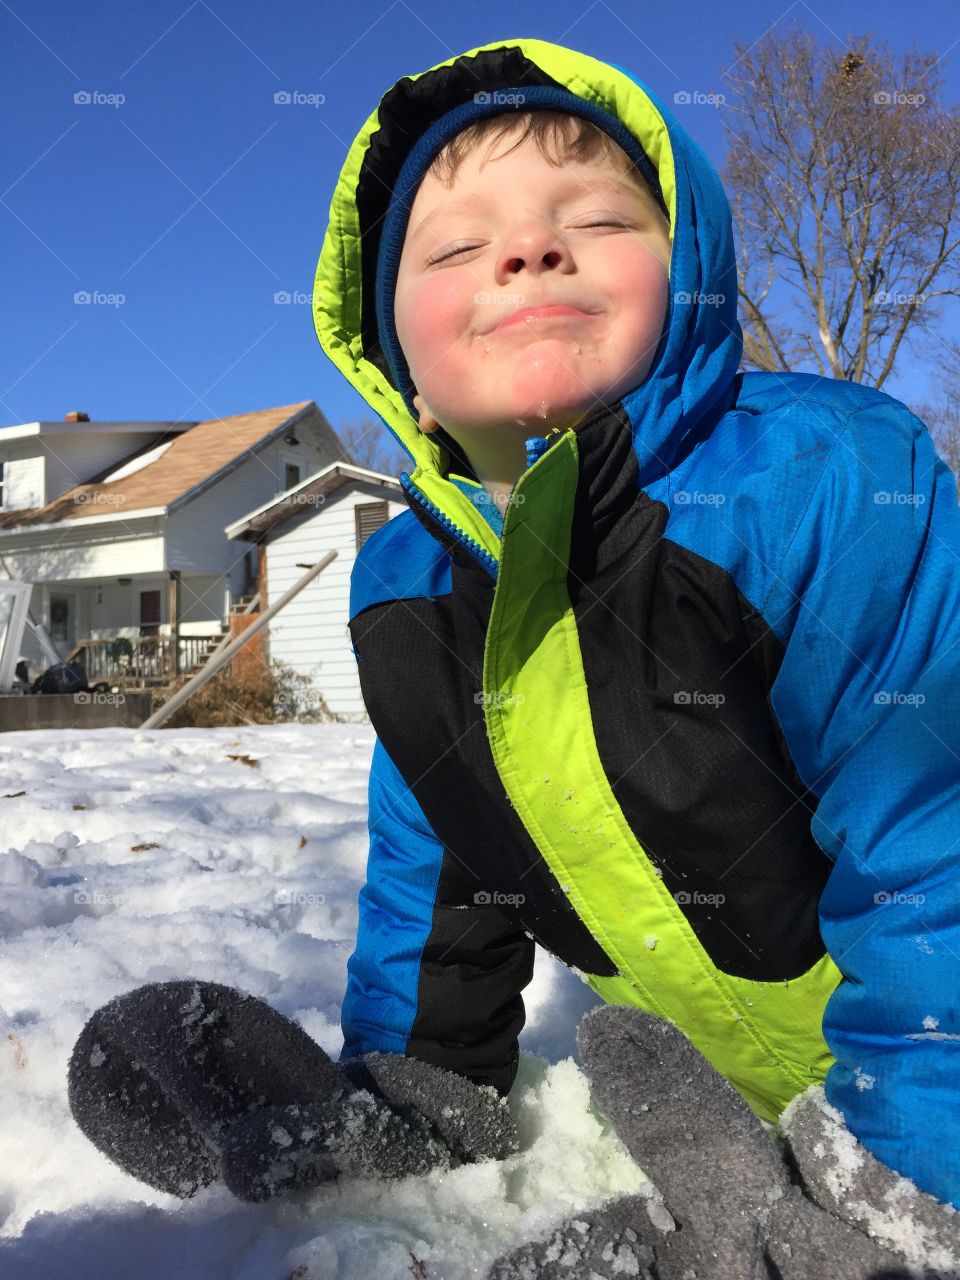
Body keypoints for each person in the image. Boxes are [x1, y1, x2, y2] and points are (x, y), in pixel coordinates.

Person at [68, 37, 960, 1276]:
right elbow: (439, 873)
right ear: (397, 372)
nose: (530, 249)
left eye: (592, 220)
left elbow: (936, 841)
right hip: (737, 1099)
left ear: (691, 281)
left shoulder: (825, 490)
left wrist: (907, 1181)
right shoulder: (410, 601)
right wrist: (420, 1090)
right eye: (451, 247)